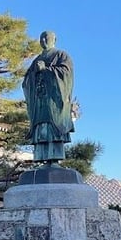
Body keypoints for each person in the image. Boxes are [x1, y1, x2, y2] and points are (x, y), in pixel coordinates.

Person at [22, 30, 74, 161]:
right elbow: (26, 81)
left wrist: (47, 70)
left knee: (53, 129)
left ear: (54, 40)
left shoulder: (61, 55)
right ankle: (41, 157)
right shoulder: (36, 60)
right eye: (41, 38)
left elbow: (66, 73)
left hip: (53, 101)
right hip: (40, 101)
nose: (44, 41)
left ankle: (55, 158)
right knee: (41, 128)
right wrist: (34, 75)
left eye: (46, 38)